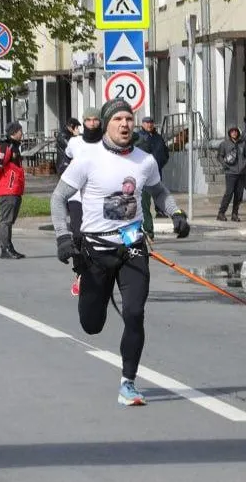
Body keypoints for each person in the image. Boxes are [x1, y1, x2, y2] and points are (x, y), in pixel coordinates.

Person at [50, 98, 191, 406]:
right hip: (95, 251)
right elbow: (58, 198)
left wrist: (176, 211)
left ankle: (128, 383)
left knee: (135, 313)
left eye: (129, 118)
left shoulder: (145, 160)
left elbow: (159, 191)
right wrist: (63, 237)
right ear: (105, 124)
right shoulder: (88, 159)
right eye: (118, 119)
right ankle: (93, 305)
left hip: (132, 247)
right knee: (92, 324)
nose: (125, 124)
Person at [64, 108, 103, 295]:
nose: (92, 123)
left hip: (98, 198)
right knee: (78, 235)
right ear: (83, 122)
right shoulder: (75, 142)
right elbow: (65, 160)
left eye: (96, 120)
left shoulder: (107, 142)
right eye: (88, 120)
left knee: (99, 235)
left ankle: (99, 273)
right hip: (76, 196)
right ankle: (80, 274)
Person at [0, 121, 26, 259]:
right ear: (14, 132)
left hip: (14, 190)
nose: (22, 133)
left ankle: (9, 247)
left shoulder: (14, 147)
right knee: (5, 221)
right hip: (7, 190)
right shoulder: (5, 147)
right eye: (20, 130)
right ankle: (5, 249)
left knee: (9, 221)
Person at [134, 116, 169, 239]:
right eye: (147, 123)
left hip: (156, 173)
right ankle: (149, 230)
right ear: (142, 124)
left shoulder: (158, 138)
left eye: (151, 122)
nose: (149, 125)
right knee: (144, 203)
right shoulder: (137, 137)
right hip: (143, 176)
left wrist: (159, 165)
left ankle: (160, 212)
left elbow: (165, 154)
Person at [216, 125, 245, 221]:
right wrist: (225, 165)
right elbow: (219, 156)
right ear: (229, 133)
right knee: (229, 193)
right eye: (232, 131)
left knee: (239, 194)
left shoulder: (242, 144)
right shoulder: (224, 144)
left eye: (236, 131)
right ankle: (221, 213)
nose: (234, 133)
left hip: (241, 173)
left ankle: (235, 214)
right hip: (230, 173)